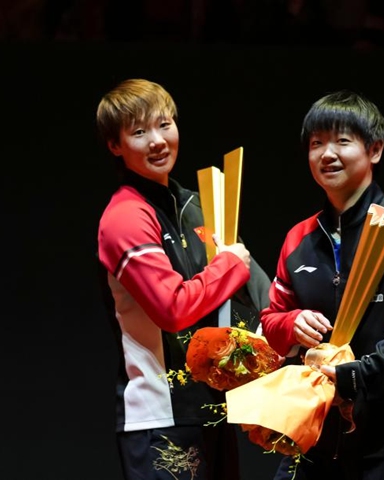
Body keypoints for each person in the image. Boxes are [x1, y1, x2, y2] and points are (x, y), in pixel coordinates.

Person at [260, 90, 384, 480]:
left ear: (374, 150)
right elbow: (270, 322)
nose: (327, 153)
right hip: (310, 436)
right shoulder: (299, 238)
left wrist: (357, 376)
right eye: (316, 143)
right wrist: (291, 322)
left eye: (342, 141)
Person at [95, 78, 272, 480]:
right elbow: (172, 309)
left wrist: (296, 324)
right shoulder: (125, 217)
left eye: (164, 124)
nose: (157, 141)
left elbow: (260, 294)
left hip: (214, 412)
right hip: (160, 417)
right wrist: (229, 265)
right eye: (139, 132)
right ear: (115, 145)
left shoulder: (197, 206)